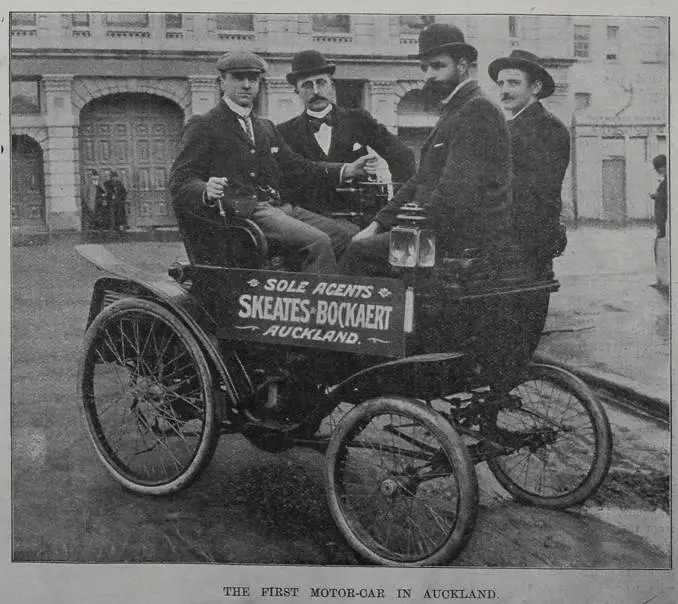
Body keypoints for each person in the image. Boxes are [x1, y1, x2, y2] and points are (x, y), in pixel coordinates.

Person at [169, 50, 376, 274]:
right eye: (239, 78)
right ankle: (316, 307)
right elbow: (180, 180)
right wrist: (206, 189)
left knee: (344, 236)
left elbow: (298, 166)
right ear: (222, 83)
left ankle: (320, 293)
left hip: (279, 207)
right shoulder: (204, 125)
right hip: (244, 211)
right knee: (318, 242)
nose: (247, 85)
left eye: (253, 78)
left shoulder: (265, 127)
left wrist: (346, 169)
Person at [340, 23, 513, 277]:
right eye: (425, 68)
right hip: (440, 227)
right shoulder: (455, 109)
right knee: (360, 240)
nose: (429, 74)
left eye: (438, 66)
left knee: (357, 253)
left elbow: (454, 194)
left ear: (462, 66)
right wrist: (377, 224)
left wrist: (404, 227)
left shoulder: (477, 110)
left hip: (462, 236)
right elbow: (420, 179)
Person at [277, 50, 416, 219]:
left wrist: (396, 209)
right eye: (307, 85)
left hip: (360, 217)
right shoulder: (284, 132)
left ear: (332, 86)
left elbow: (402, 155)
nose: (316, 91)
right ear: (297, 92)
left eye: (321, 83)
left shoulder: (359, 119)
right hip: (312, 222)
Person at [488, 49, 570, 267]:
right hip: (516, 244)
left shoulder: (547, 128)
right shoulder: (513, 126)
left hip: (525, 247)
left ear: (535, 87)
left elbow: (533, 195)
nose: (504, 90)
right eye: (501, 84)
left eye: (513, 83)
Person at [651, 154, 668, 288]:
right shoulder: (664, 182)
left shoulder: (667, 182)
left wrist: (661, 225)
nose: (658, 172)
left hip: (664, 222)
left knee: (660, 249)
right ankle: (661, 280)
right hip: (662, 222)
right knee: (659, 248)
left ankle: (662, 281)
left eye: (658, 169)